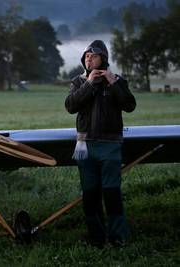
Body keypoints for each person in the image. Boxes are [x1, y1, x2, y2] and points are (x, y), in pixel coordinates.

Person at [65, 40, 136, 248]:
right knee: (89, 194)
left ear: (103, 59)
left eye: (93, 56)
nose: (89, 58)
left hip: (110, 144)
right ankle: (96, 238)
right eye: (86, 56)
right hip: (84, 145)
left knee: (112, 192)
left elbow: (129, 105)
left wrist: (113, 82)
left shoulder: (117, 80)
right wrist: (88, 84)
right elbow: (70, 106)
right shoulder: (78, 82)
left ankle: (117, 237)